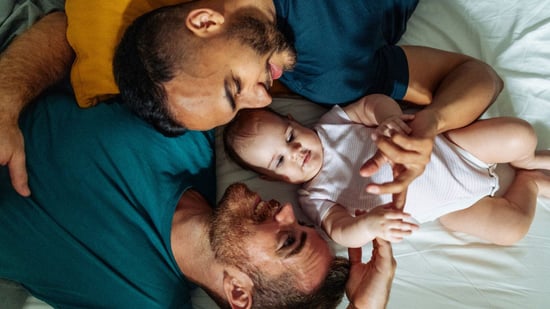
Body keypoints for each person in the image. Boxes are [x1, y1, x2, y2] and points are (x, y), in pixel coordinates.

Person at [1, 1, 503, 208]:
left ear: (203, 21)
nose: (263, 96)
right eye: (241, 105)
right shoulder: (327, 72)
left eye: (232, 86)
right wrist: (431, 123)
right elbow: (475, 76)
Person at [0, 89, 396, 309]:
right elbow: (60, 33)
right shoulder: (194, 131)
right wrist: (6, 100)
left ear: (239, 292)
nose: (288, 210)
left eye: (287, 239)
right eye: (302, 224)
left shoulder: (141, 299)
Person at [223, 94, 550, 248]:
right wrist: (368, 224)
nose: (295, 152)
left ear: (293, 121)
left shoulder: (333, 125)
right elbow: (340, 231)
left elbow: (371, 104)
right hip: (451, 207)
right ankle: (531, 184)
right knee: (512, 230)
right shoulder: (314, 196)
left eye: (290, 137)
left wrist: (389, 118)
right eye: (280, 161)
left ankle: (528, 160)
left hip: (453, 149)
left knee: (519, 135)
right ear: (275, 178)